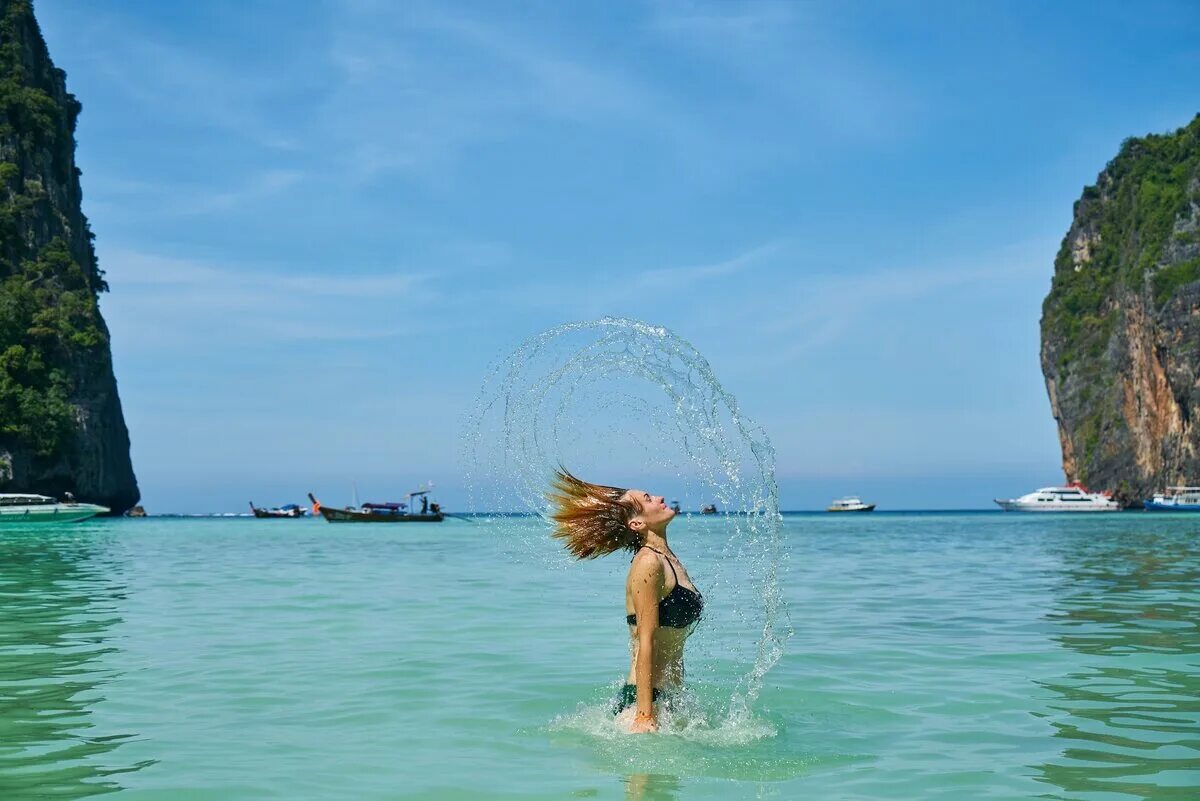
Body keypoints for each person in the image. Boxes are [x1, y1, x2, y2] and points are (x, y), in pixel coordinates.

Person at [547, 468, 703, 734]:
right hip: (645, 703)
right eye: (648, 498)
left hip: (669, 699)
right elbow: (646, 640)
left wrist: (678, 703)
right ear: (637, 523)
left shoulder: (668, 559)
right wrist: (644, 716)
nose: (659, 497)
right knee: (641, 777)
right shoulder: (648, 563)